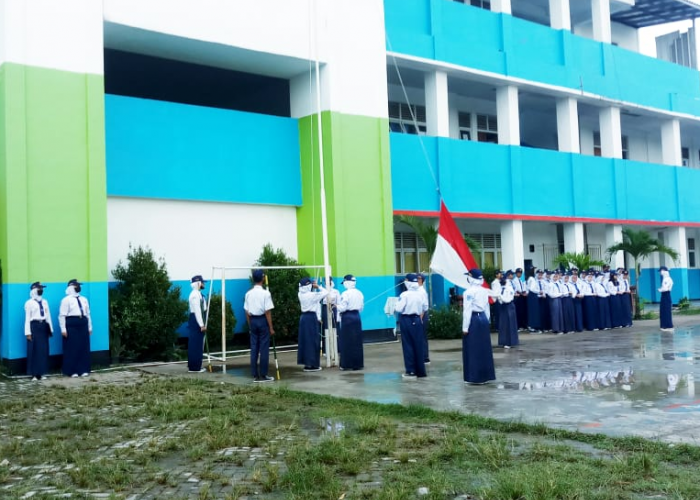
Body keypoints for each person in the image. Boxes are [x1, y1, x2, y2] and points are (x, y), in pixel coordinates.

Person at [462, 269, 501, 385]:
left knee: (473, 349)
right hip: (483, 318)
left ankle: (475, 377)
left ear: (471, 278)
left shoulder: (468, 292)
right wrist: (486, 321)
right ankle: (485, 375)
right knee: (484, 348)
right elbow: (487, 307)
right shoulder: (484, 291)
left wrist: (465, 327)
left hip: (474, 319)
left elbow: (467, 311)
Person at [395, 273, 429, 379]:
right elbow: (425, 307)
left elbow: (399, 308)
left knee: (408, 345)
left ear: (408, 282)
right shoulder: (420, 294)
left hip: (407, 320)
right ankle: (420, 371)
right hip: (418, 319)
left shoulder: (404, 295)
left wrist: (395, 305)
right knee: (418, 345)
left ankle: (410, 371)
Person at [244, 269, 275, 382]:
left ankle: (254, 374)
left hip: (253, 320)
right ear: (262, 279)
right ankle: (263, 374)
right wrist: (271, 327)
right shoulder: (266, 293)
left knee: (254, 348)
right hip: (262, 320)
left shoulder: (248, 294)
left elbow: (246, 311)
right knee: (264, 348)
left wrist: (250, 324)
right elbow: (267, 312)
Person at [59, 279, 92, 378]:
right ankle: (72, 371)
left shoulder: (84, 299)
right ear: (70, 287)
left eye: (79, 285)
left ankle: (83, 369)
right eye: (76, 286)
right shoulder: (66, 300)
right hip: (71, 324)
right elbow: (62, 316)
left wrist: (90, 326)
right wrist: (63, 329)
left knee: (83, 346)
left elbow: (88, 314)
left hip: (83, 323)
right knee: (72, 347)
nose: (78, 287)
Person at [297, 277, 328, 372]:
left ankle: (307, 364)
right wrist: (318, 286)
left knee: (305, 341)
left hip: (303, 318)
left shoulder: (300, 294)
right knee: (313, 341)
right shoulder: (312, 295)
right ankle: (312, 365)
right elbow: (326, 292)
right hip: (311, 317)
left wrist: (311, 286)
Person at [24, 282, 53, 381]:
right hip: (34, 326)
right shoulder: (29, 303)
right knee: (34, 350)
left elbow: (48, 315)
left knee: (43, 350)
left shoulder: (45, 302)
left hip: (43, 326)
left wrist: (50, 329)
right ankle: (34, 374)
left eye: (42, 288)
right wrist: (28, 332)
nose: (41, 290)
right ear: (34, 290)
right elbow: (27, 318)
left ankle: (42, 372)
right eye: (39, 288)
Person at [337, 274, 365, 371]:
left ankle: (346, 364)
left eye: (344, 282)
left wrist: (335, 306)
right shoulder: (359, 293)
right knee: (357, 342)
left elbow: (343, 307)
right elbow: (361, 307)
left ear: (347, 282)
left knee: (346, 341)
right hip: (357, 317)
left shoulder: (345, 294)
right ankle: (357, 364)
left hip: (347, 318)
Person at [187, 275, 207, 373]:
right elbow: (197, 310)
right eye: (202, 282)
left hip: (197, 320)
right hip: (196, 320)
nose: (203, 284)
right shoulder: (195, 295)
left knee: (198, 344)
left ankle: (196, 366)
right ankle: (194, 367)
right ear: (198, 283)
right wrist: (201, 325)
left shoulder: (198, 294)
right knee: (195, 344)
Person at [498, 271, 518, 348]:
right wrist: (499, 298)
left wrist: (500, 297)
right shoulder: (501, 288)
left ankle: (509, 342)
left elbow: (507, 299)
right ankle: (503, 341)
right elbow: (500, 300)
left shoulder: (509, 289)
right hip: (503, 307)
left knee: (509, 324)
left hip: (509, 306)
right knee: (503, 324)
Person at [416, 273, 431, 364]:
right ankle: (421, 355)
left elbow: (424, 306)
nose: (416, 280)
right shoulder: (416, 290)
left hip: (422, 315)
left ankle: (425, 357)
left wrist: (420, 318)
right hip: (418, 315)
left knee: (422, 337)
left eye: (418, 278)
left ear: (421, 280)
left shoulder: (421, 291)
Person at [659, 266, 674, 332]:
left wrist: (660, 289)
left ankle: (667, 325)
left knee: (666, 310)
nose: (660, 272)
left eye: (661, 271)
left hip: (666, 295)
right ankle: (665, 325)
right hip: (665, 295)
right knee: (664, 310)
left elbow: (665, 288)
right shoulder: (666, 278)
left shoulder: (666, 279)